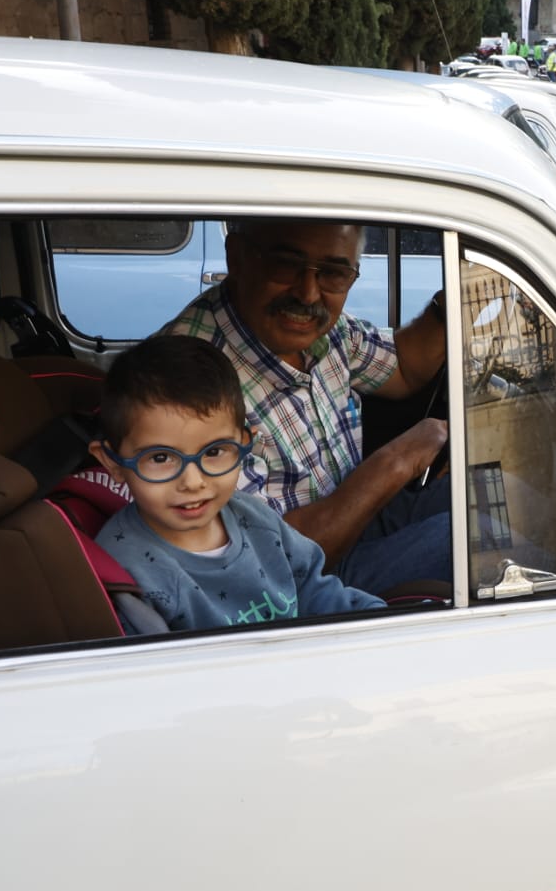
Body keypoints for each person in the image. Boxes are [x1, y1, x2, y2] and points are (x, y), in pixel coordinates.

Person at [164, 219, 452, 596]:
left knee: (492, 492)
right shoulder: (186, 382)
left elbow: (404, 367)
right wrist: (399, 460)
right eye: (286, 264)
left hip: (354, 527)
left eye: (333, 272)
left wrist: (449, 305)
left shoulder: (328, 333)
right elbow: (267, 562)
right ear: (237, 257)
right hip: (296, 590)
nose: (308, 293)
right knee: (471, 540)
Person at [90, 335, 389, 633]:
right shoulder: (128, 572)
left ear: (244, 443)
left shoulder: (255, 518)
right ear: (113, 463)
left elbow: (315, 591)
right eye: (160, 458)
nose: (193, 482)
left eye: (214, 452)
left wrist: (378, 621)